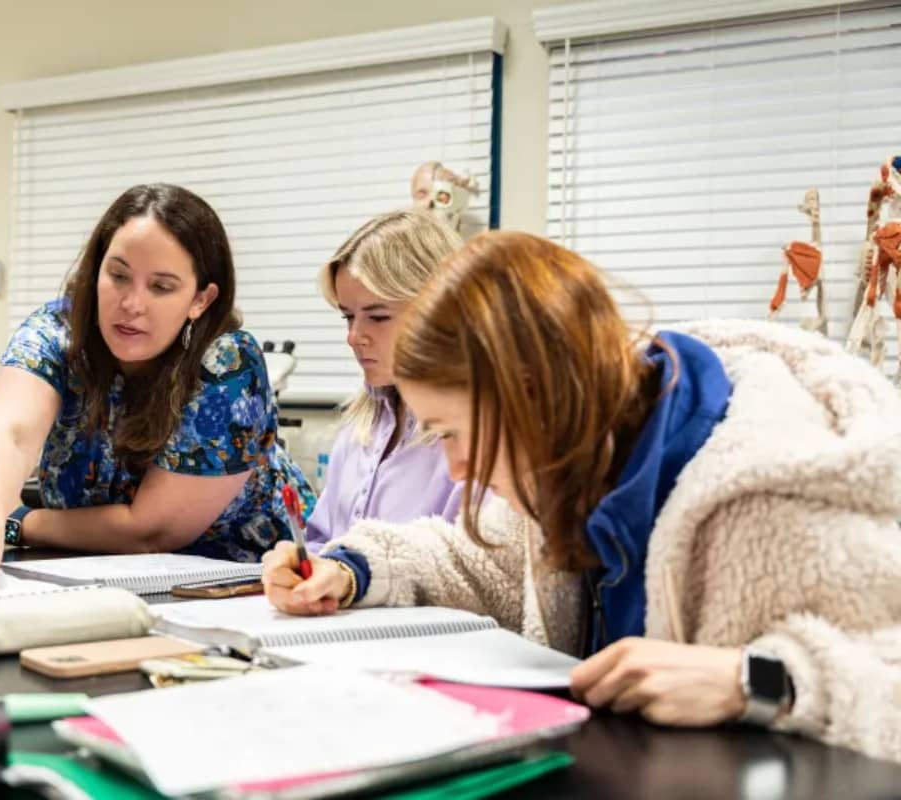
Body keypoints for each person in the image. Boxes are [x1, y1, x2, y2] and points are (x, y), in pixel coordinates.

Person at [263, 231, 901, 762]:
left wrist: (755, 682)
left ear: (533, 392)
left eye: (457, 434)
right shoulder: (579, 452)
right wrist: (350, 567)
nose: (457, 467)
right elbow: (480, 559)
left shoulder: (773, 486)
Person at [0, 184, 315, 591]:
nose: (132, 303)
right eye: (118, 275)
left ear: (200, 299)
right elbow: (10, 430)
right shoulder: (58, 330)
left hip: (253, 589)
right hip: (96, 575)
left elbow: (150, 531)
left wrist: (17, 522)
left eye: (161, 287)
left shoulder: (228, 363)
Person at [306, 211, 465, 547]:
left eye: (377, 317)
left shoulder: (473, 433)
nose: (354, 336)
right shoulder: (360, 426)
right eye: (348, 317)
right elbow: (322, 540)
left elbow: (474, 577)